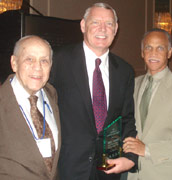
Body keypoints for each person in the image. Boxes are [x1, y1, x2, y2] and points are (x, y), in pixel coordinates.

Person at [50, 2, 137, 180]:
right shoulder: (58, 61)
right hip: (68, 168)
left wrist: (130, 157)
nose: (102, 29)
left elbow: (127, 119)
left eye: (109, 24)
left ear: (116, 29)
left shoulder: (125, 71)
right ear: (83, 25)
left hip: (108, 169)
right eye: (95, 22)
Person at [123, 28, 172, 180]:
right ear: (142, 52)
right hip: (133, 173)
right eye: (148, 47)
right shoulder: (133, 85)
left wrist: (148, 150)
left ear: (169, 52)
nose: (153, 53)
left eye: (160, 48)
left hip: (165, 173)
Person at [0, 35, 61, 180]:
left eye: (44, 61)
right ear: (14, 63)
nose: (37, 67)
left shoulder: (51, 94)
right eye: (29, 59)